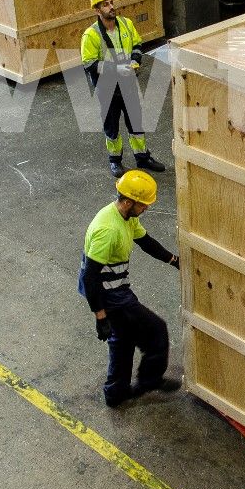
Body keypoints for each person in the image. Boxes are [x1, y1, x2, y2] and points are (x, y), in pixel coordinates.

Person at [78, 169, 182, 407]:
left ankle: (116, 392)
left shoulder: (126, 216)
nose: (146, 208)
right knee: (156, 330)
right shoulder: (108, 230)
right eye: (143, 204)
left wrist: (174, 260)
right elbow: (90, 277)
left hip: (116, 289)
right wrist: (100, 317)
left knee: (123, 340)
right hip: (111, 295)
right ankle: (149, 380)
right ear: (127, 202)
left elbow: (145, 242)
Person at [80, 0, 166, 178]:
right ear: (97, 10)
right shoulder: (91, 35)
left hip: (127, 84)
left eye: (111, 2)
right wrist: (115, 69)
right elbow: (89, 64)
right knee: (111, 126)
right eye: (105, 4)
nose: (111, 7)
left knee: (135, 122)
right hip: (107, 88)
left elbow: (137, 43)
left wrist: (136, 59)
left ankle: (142, 157)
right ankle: (115, 161)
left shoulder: (126, 24)